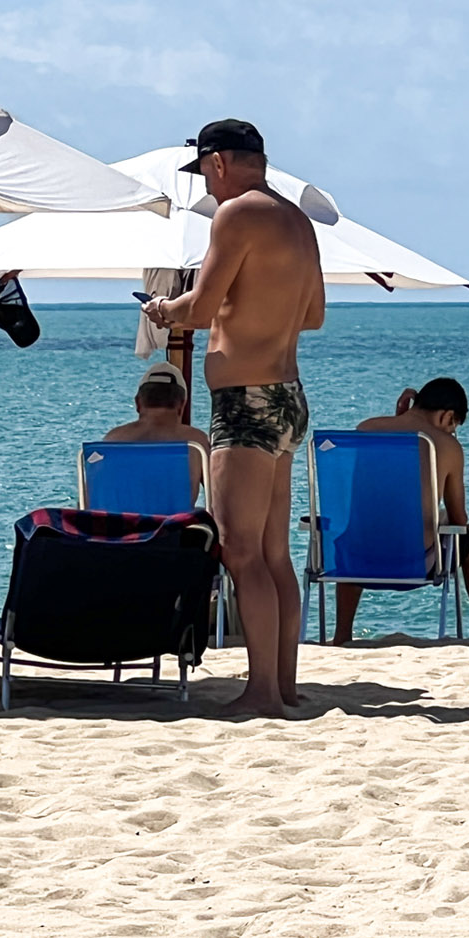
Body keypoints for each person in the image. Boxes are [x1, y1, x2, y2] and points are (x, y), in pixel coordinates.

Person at [142, 119, 324, 717]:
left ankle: (263, 692)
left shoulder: (237, 213)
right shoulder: (297, 220)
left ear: (218, 162)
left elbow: (202, 306)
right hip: (288, 394)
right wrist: (258, 312)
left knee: (241, 551)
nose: (208, 190)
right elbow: (315, 313)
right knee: (273, 553)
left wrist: (166, 310)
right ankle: (285, 685)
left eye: (205, 175)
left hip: (245, 400)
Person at [332, 378, 469, 645]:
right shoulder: (446, 446)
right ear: (447, 415)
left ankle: (341, 635)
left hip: (355, 560)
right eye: (454, 426)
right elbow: (459, 519)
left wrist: (400, 419)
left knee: (360, 530)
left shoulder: (366, 429)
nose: (452, 433)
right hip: (414, 563)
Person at [101, 360, 211, 503]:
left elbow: (89, 499)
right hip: (175, 524)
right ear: (182, 405)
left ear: (138, 403)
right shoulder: (196, 442)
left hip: (122, 524)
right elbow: (218, 497)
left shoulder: (113, 440)